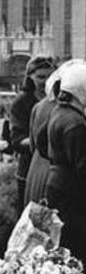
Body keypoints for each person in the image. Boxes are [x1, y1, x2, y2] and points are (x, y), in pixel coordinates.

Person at [43, 63, 86, 261]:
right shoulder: (75, 122)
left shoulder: (59, 112)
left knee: (63, 241)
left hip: (57, 183)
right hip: (72, 190)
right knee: (76, 243)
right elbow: (82, 165)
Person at [10, 56, 55, 211]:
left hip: (54, 170)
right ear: (30, 77)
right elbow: (16, 141)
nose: (46, 81)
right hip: (29, 171)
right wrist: (43, 142)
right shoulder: (21, 102)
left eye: (50, 76)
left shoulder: (59, 99)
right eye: (41, 77)